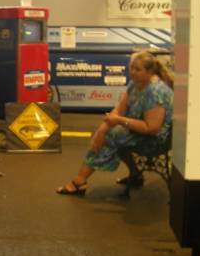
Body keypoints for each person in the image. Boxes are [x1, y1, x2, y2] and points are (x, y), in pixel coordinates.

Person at [56, 50, 174, 195]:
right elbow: (119, 109)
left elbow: (152, 128)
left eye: (138, 69)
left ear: (150, 71)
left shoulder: (156, 91)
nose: (133, 72)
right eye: (132, 68)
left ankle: (79, 182)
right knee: (109, 132)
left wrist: (117, 122)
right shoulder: (135, 84)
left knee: (113, 135)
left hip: (155, 141)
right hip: (140, 132)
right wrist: (102, 129)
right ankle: (136, 175)